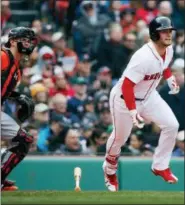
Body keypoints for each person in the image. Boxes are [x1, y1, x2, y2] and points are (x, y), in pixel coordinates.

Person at [103, 16, 180, 192]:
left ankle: (160, 166)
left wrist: (169, 78)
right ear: (154, 34)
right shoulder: (143, 57)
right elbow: (127, 85)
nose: (168, 34)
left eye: (169, 31)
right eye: (164, 31)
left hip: (149, 96)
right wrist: (132, 111)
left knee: (172, 125)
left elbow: (164, 66)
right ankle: (109, 170)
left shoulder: (168, 50)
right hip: (124, 99)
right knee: (119, 138)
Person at [1, 27, 37, 191]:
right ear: (14, 41)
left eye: (30, 41)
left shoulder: (17, 71)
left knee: (24, 140)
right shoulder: (2, 56)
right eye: (26, 40)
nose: (29, 44)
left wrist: (17, 96)